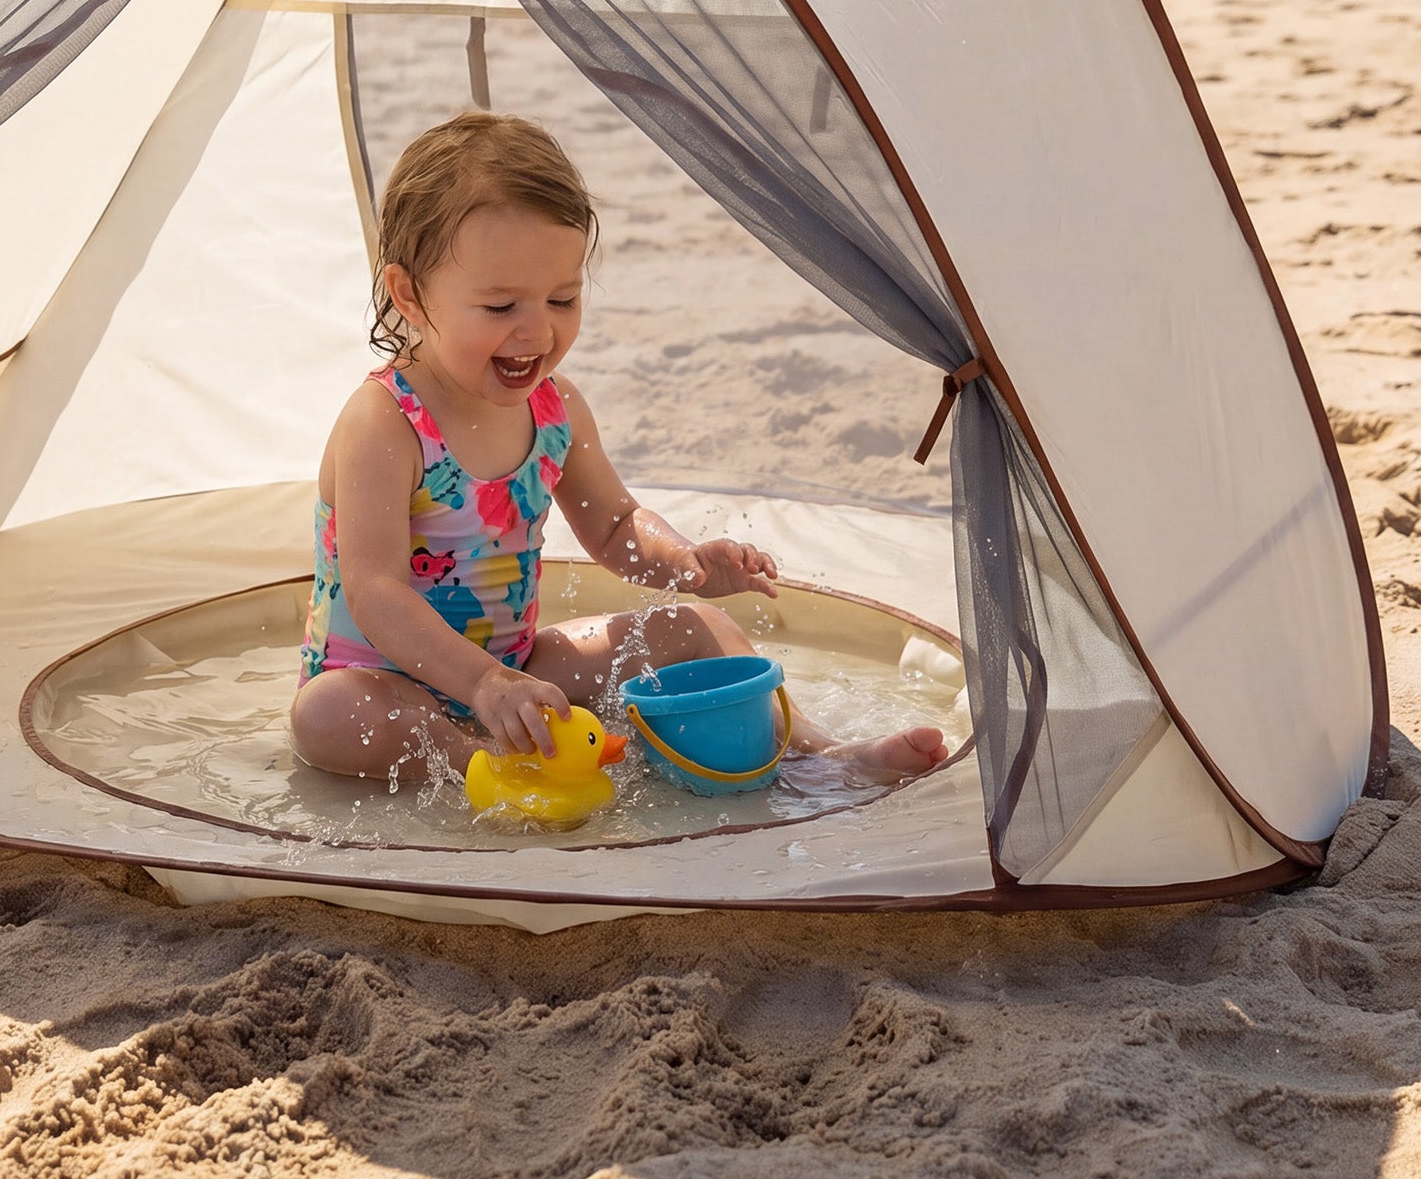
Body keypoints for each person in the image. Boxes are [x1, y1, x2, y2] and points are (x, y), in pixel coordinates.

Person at [291, 110, 951, 788]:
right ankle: (492, 773)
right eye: (500, 308)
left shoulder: (555, 408)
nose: (536, 331)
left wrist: (687, 564)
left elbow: (613, 526)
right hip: (389, 683)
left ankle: (820, 750)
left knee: (695, 628)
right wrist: (483, 684)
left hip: (519, 674)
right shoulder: (385, 421)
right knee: (328, 714)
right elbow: (375, 591)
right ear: (410, 295)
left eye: (562, 298)